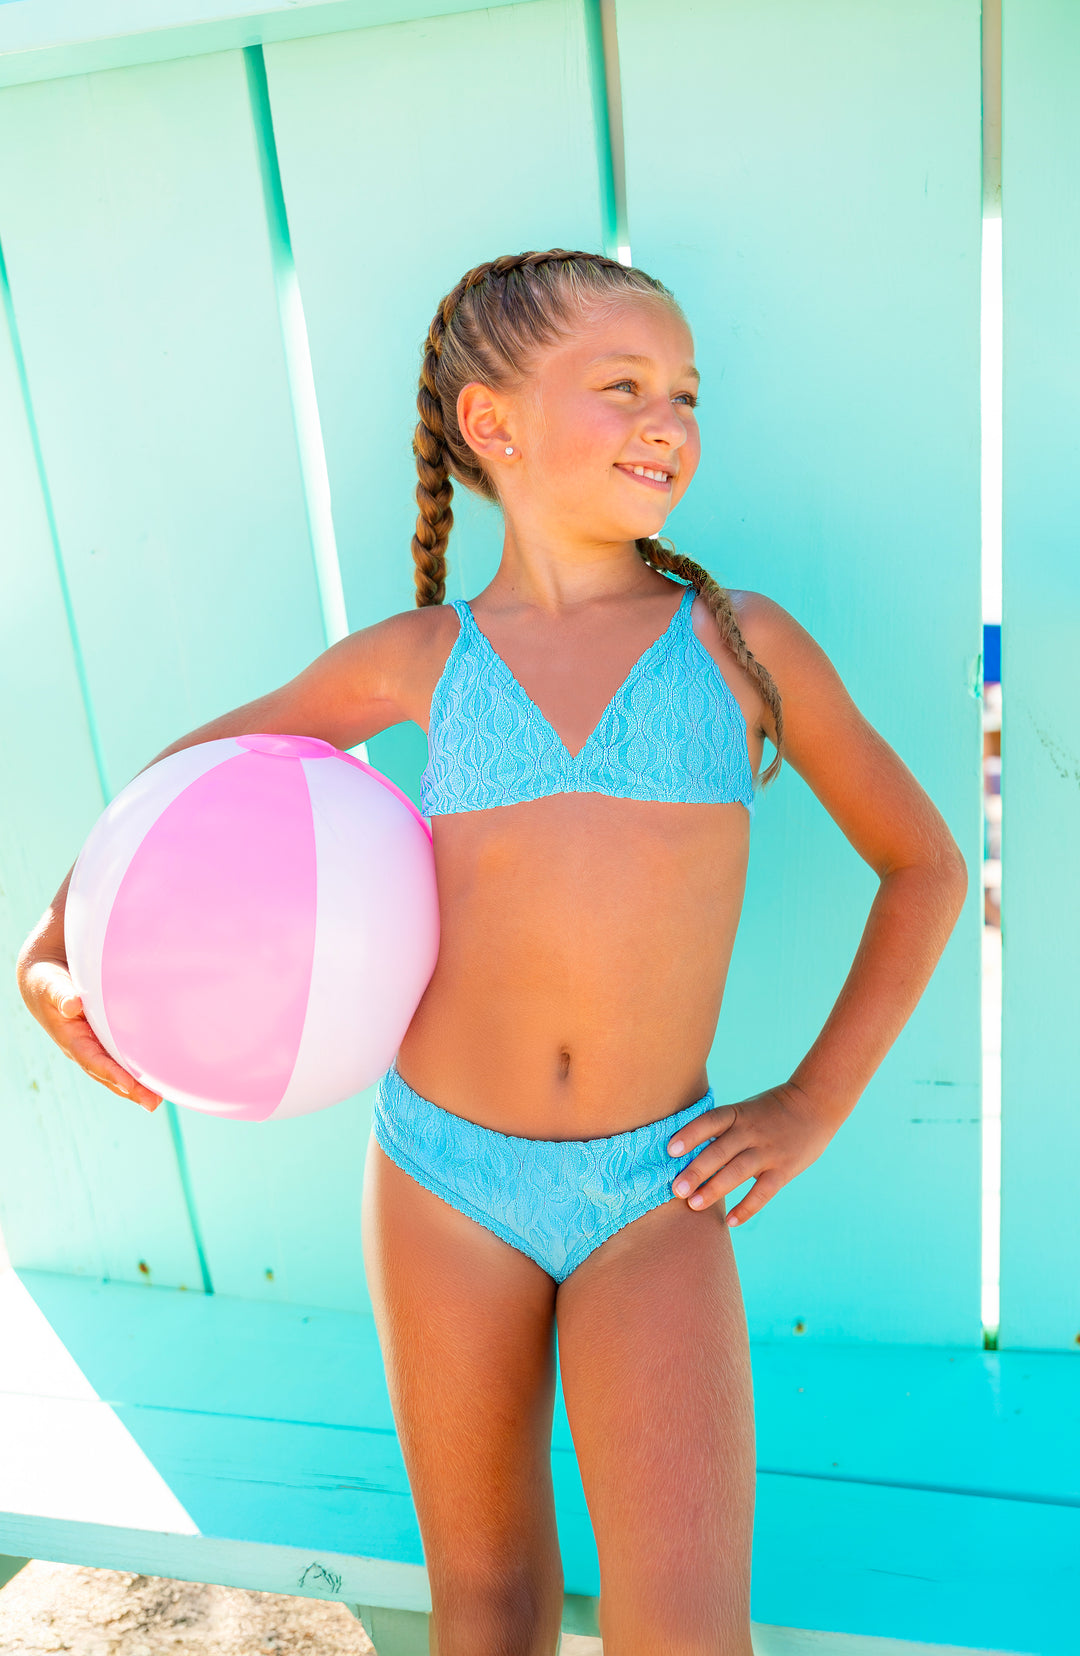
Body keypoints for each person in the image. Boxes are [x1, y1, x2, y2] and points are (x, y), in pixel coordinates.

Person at [17, 249, 968, 1656]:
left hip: (658, 1193)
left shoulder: (741, 649)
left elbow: (926, 866)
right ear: (493, 424)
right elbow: (185, 793)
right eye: (625, 386)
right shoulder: (420, 659)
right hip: (441, 1182)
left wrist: (809, 1104)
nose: (671, 422)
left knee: (689, 1628)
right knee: (487, 1607)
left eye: (687, 395)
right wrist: (52, 941)